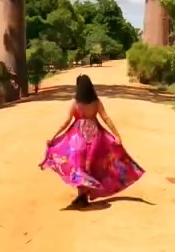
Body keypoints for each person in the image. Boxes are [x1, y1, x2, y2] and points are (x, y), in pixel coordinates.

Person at [39, 74, 145, 208]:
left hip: (78, 139)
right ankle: (83, 195)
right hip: (96, 138)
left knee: (79, 167)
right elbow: (106, 118)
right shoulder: (96, 102)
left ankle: (82, 195)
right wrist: (117, 135)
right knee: (92, 166)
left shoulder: (76, 104)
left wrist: (54, 137)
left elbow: (66, 122)